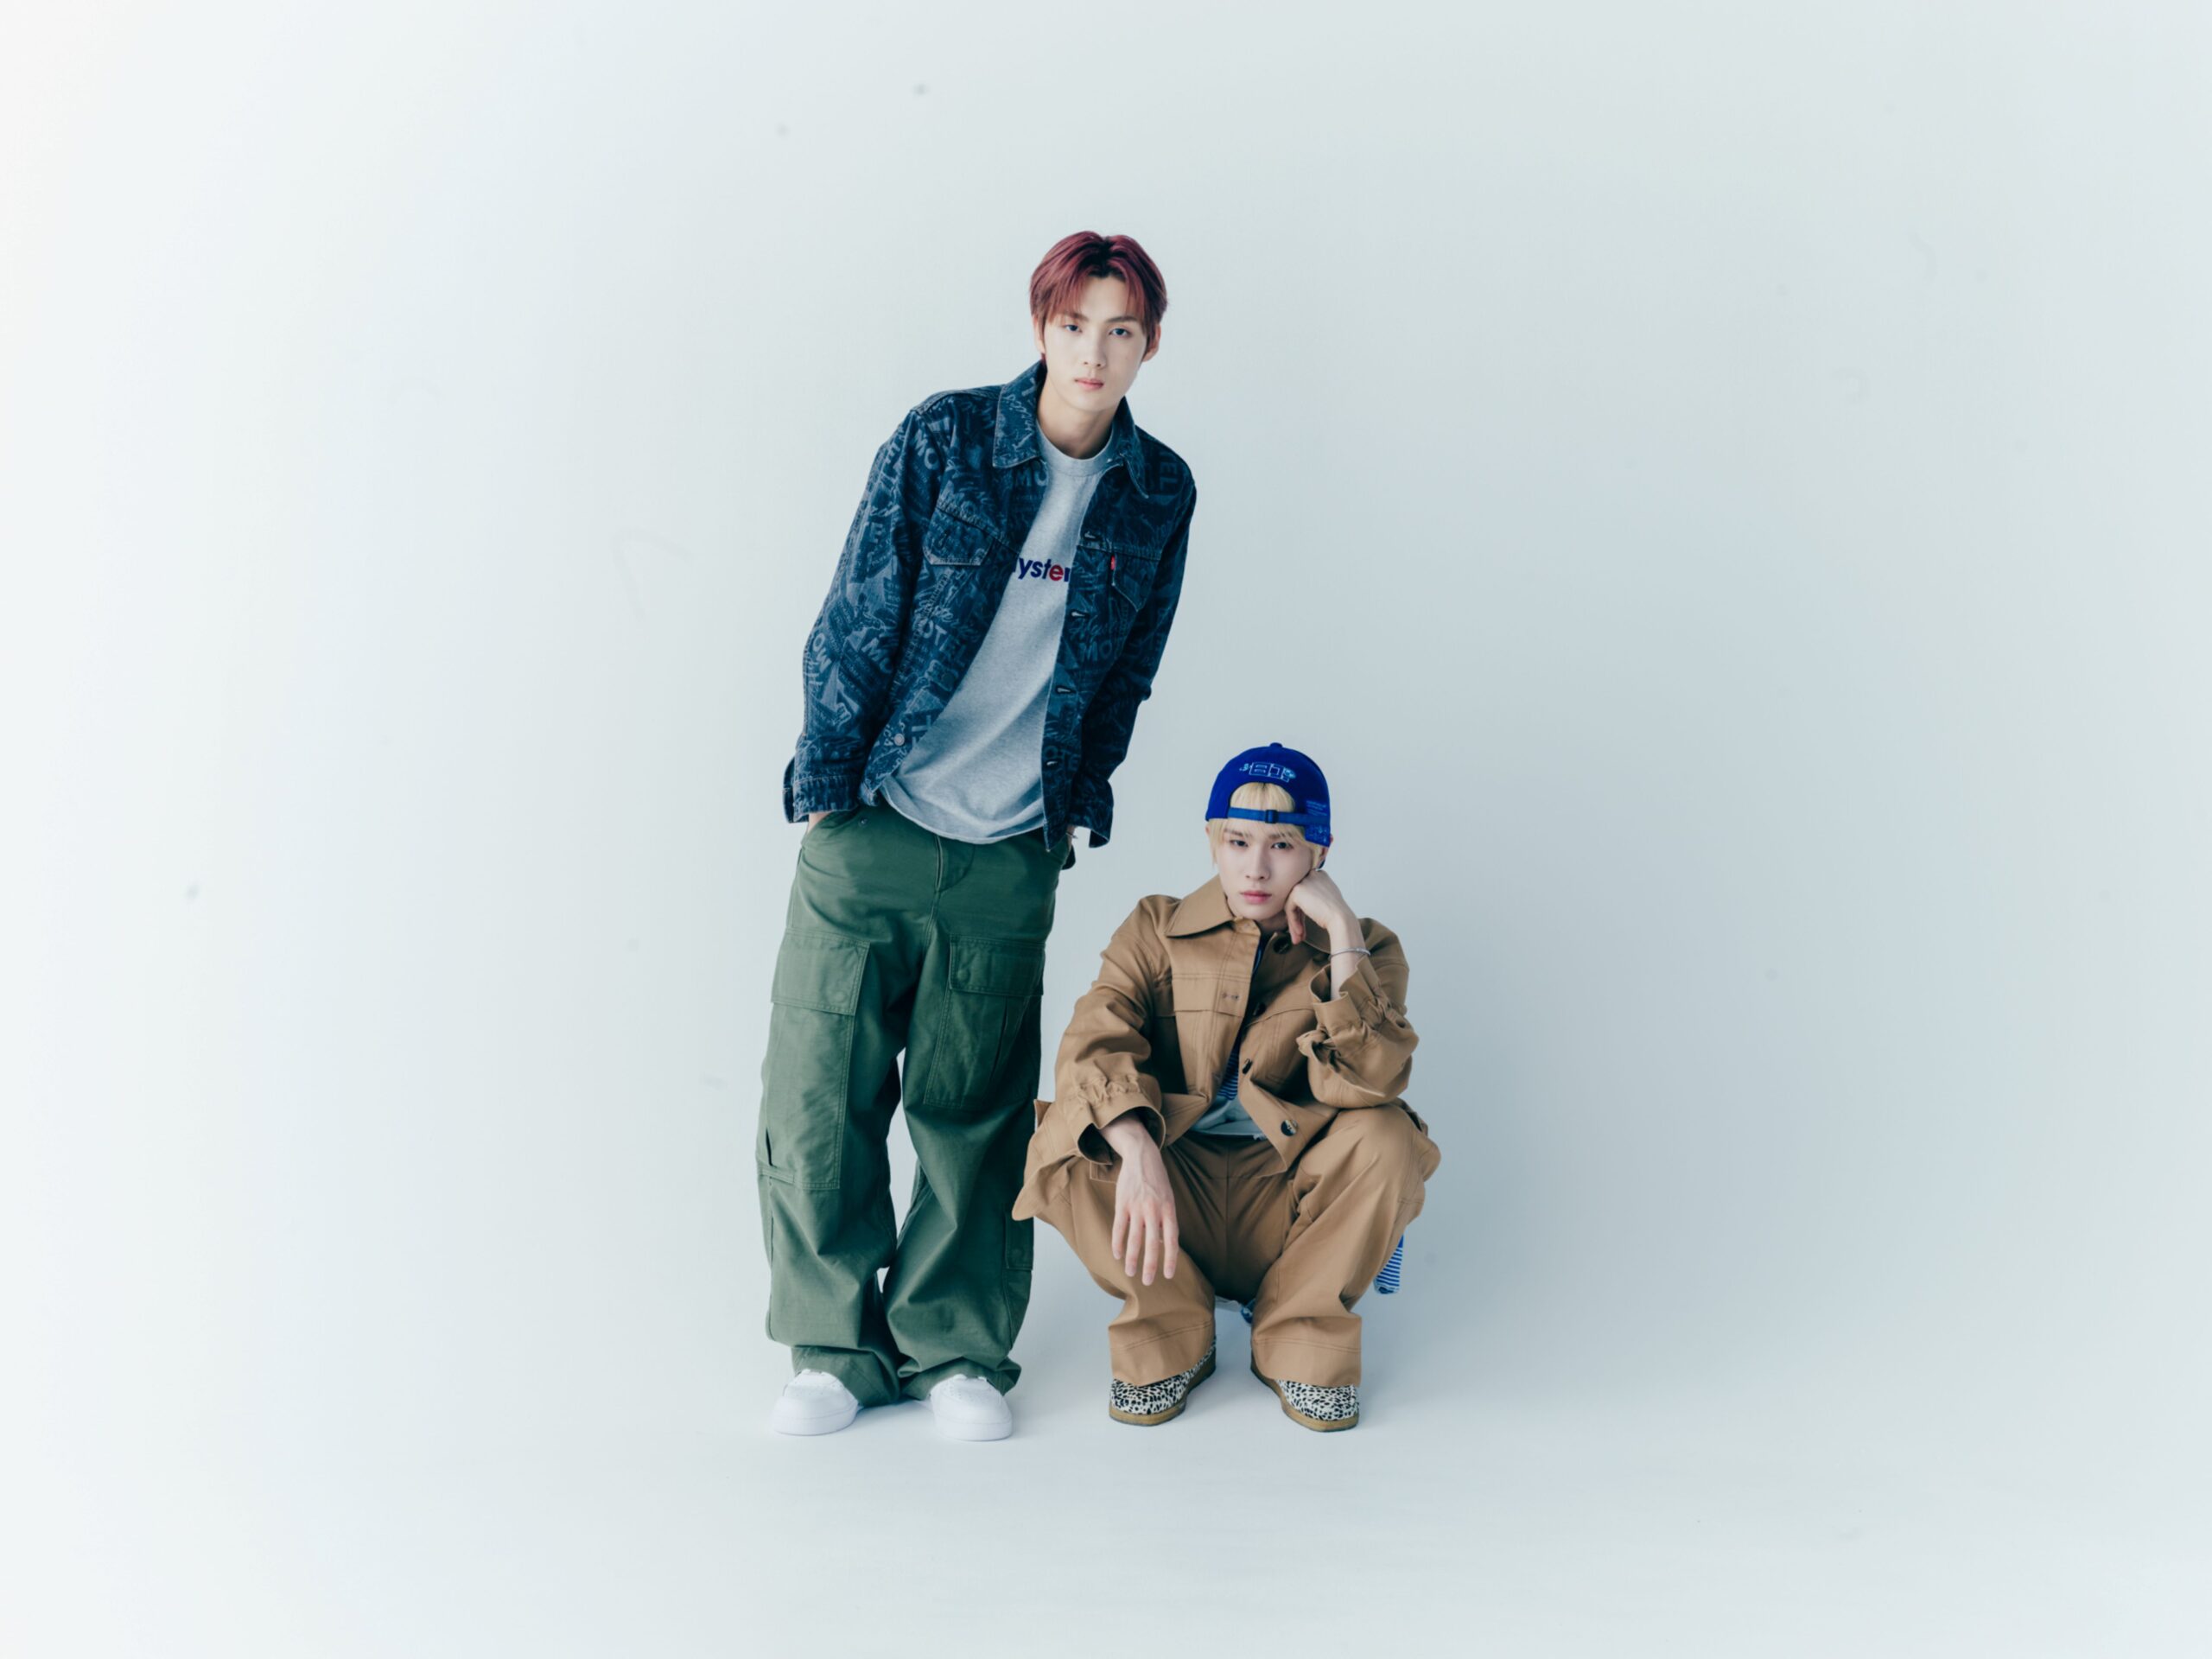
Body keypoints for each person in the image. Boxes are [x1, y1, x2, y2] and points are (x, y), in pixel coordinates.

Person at [758, 232, 1198, 1440]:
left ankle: (953, 1349)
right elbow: (858, 608)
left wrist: (1073, 807)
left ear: (1150, 344)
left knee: (975, 1116)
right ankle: (831, 1351)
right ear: (1040, 328)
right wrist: (831, 782)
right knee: (820, 1101)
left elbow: (1130, 667)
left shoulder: (1159, 492)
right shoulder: (946, 438)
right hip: (875, 823)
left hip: (1010, 852)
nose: (1094, 352)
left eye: (1120, 330)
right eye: (1073, 325)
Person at [1014, 744, 1440, 1432]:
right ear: (1213, 841)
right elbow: (1092, 1044)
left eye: (1283, 845)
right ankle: (1172, 1332)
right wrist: (1138, 1150)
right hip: (1168, 1199)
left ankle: (1298, 1336)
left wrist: (1341, 936)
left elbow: (1372, 1083)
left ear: (1320, 853)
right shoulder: (1155, 927)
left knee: (1388, 1136)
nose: (1256, 867)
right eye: (1238, 842)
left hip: (1291, 1205)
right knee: (1069, 1133)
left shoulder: (1367, 947)